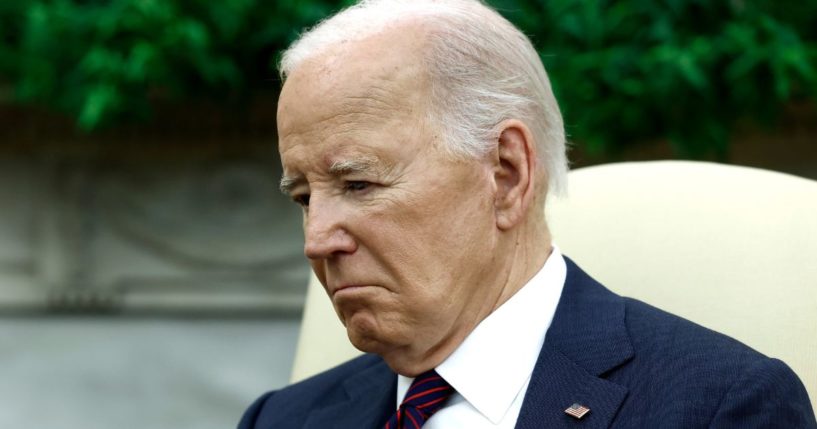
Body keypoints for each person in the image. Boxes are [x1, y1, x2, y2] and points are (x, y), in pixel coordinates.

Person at [239, 0, 816, 427]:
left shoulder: (723, 406)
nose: (317, 240)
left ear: (506, 173)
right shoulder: (281, 418)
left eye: (359, 183)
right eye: (304, 198)